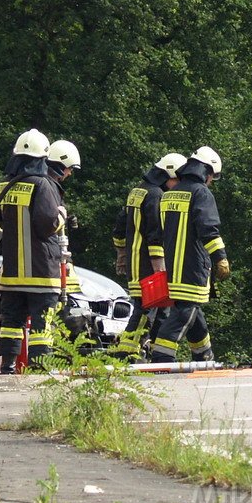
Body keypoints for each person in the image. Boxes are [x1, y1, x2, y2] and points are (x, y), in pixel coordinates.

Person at [0, 129, 64, 373]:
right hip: (41, 274)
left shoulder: (4, 185)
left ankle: (8, 367)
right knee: (41, 325)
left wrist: (3, 241)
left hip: (11, 275)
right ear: (43, 158)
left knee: (11, 323)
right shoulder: (43, 185)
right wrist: (62, 217)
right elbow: (47, 225)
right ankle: (40, 368)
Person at [150, 146, 229, 363]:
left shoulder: (170, 193)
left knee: (193, 312)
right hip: (193, 266)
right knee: (185, 311)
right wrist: (220, 258)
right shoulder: (201, 193)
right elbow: (208, 229)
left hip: (172, 268)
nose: (211, 181)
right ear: (206, 172)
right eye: (212, 176)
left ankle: (203, 356)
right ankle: (161, 356)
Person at [111, 152, 185, 359]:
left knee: (161, 313)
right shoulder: (155, 195)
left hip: (135, 265)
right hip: (148, 267)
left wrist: (122, 256)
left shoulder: (137, 191)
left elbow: (119, 228)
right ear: (169, 175)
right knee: (145, 311)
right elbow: (155, 234)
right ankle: (124, 356)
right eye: (177, 181)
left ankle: (155, 355)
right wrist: (160, 266)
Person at [47, 140, 82, 295]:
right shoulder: (47, 187)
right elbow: (49, 223)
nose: (70, 173)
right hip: (51, 258)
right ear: (61, 165)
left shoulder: (51, 186)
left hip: (55, 255)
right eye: (70, 168)